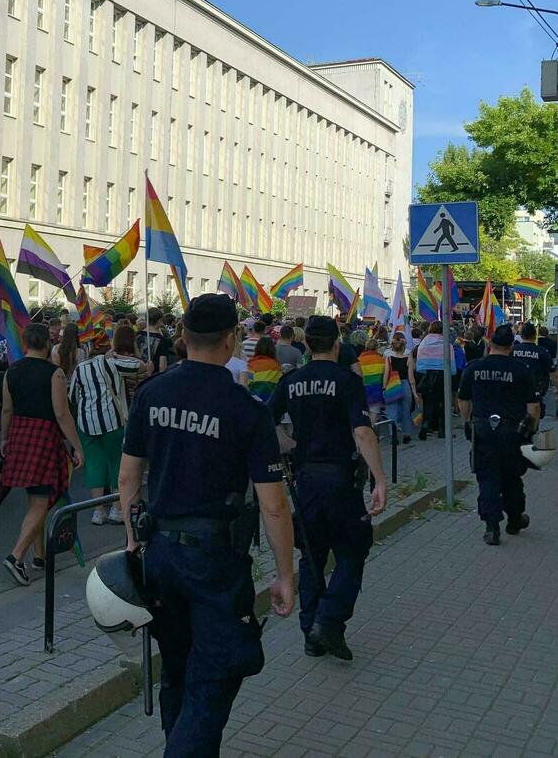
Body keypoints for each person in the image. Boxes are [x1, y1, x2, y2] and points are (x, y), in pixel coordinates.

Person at [117, 293, 296, 755]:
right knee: (216, 674)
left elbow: (128, 476)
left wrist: (133, 542)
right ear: (232, 339)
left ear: (183, 336)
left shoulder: (152, 393)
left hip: (160, 553)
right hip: (213, 562)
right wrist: (284, 575)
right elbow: (273, 505)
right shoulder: (246, 408)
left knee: (177, 668)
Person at [271, 316, 387, 661]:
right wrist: (380, 479)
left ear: (306, 345)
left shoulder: (291, 380)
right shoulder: (347, 381)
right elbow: (363, 433)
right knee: (354, 548)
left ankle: (311, 633)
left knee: (311, 555)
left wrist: (290, 444)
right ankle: (329, 619)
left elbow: (267, 420)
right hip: (340, 480)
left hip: (305, 480)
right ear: (337, 344)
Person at [0, 322, 85, 586]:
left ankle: (40, 556)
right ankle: (16, 557)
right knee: (40, 500)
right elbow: (62, 414)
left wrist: (3, 437)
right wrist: (77, 446)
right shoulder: (54, 373)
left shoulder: (10, 371)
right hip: (43, 437)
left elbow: (6, 410)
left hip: (20, 435)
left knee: (36, 498)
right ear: (47, 344)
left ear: (25, 342)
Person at [457, 326, 540, 545]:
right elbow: (533, 407)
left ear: (489, 344)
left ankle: (491, 527)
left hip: (484, 429)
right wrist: (531, 430)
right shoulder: (521, 370)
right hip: (512, 431)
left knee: (487, 477)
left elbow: (463, 399)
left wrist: (467, 422)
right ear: (511, 346)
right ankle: (514, 519)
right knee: (512, 476)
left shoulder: (474, 368)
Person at [69, 336, 128, 526]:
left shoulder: (80, 368)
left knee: (94, 464)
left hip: (86, 422)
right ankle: (116, 509)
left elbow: (73, 396)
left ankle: (98, 511)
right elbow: (141, 367)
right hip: (112, 420)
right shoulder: (113, 364)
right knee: (115, 462)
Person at [413, 321, 456, 438]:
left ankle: (426, 425)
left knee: (428, 404)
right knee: (444, 404)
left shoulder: (424, 343)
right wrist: (452, 373)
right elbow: (451, 363)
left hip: (427, 376)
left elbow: (420, 362)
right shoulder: (446, 343)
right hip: (443, 376)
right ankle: (443, 430)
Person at [513, 322, 556, 419]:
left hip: (515, 389)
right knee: (534, 416)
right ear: (534, 335)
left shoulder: (513, 350)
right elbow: (553, 374)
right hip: (536, 389)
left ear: (521, 335)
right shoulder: (542, 352)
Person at [383, 331, 418, 444]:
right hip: (405, 385)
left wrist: (384, 387)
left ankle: (394, 436)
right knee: (406, 411)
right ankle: (406, 435)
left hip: (392, 384)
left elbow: (386, 373)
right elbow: (411, 377)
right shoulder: (408, 355)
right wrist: (415, 392)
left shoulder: (388, 356)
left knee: (392, 411)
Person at [246, 336, 282, 405]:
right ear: (273, 349)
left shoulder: (251, 364)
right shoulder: (276, 366)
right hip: (270, 402)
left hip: (254, 401)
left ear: (257, 348)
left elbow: (248, 384)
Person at [138, 308, 174, 374]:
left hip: (137, 375)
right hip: (153, 377)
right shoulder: (163, 341)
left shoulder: (137, 336)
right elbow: (162, 366)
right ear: (159, 320)